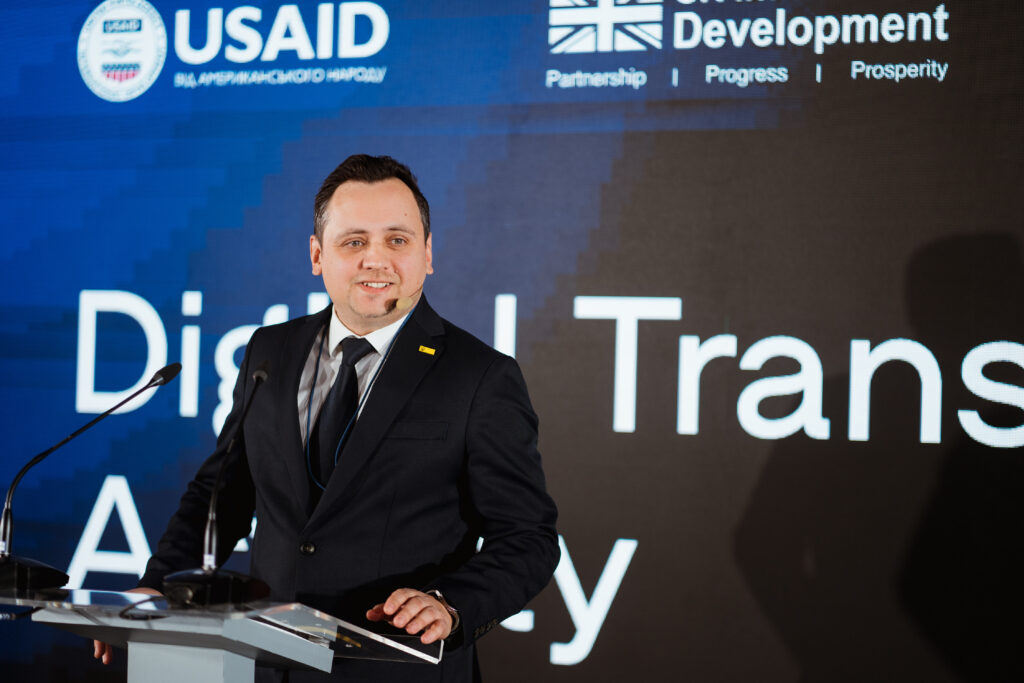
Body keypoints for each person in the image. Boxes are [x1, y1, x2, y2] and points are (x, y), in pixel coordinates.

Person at [93, 154, 559, 682]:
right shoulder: (270, 350)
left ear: (428, 254)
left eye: (398, 240)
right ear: (317, 255)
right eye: (354, 241)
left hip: (396, 669)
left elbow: (528, 538)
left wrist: (449, 605)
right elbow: (221, 493)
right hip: (264, 666)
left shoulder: (479, 377)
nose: (376, 260)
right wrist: (158, 584)